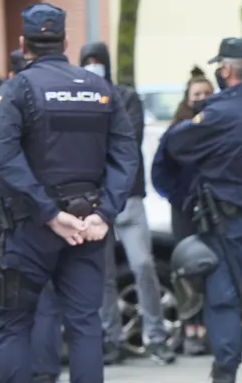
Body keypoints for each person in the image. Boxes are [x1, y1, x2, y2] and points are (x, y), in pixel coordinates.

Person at [0, 3, 138, 383]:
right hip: (87, 226)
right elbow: (126, 155)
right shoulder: (101, 89)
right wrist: (103, 214)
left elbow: (4, 159)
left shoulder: (18, 89)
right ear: (66, 41)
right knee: (85, 324)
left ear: (24, 44)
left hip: (29, 227)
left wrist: (49, 214)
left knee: (12, 324)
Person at [164, 37, 242, 383]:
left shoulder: (218, 114)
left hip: (225, 227)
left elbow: (173, 146)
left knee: (222, 302)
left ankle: (225, 374)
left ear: (227, 70)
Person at [0, 49, 63, 383]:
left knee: (6, 308)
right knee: (45, 301)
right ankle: (45, 371)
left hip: (7, 225)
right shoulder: (57, 109)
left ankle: (11, 374)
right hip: (51, 218)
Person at [78, 41, 177, 365]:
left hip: (128, 197)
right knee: (102, 274)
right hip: (94, 199)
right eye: (88, 62)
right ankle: (112, 339)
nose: (93, 66)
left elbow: (126, 139)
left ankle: (156, 337)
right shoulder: (81, 98)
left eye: (97, 61)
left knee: (143, 265)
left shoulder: (126, 97)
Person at [152, 66, 213, 356]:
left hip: (213, 211)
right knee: (187, 270)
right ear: (187, 98)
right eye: (196, 94)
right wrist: (179, 197)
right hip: (185, 212)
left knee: (212, 271)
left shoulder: (218, 124)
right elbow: (159, 172)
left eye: (206, 93)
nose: (201, 98)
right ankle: (190, 330)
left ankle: (209, 330)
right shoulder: (177, 132)